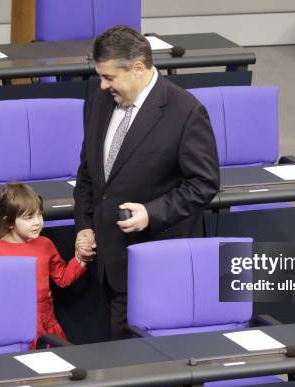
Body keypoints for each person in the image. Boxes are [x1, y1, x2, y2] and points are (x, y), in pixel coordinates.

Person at [74, 25, 220, 340]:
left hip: (154, 261)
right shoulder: (99, 102)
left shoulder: (186, 112)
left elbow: (204, 184)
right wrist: (84, 223)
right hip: (107, 261)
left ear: (138, 68)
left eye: (110, 77)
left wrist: (151, 213)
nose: (102, 85)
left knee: (135, 369)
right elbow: (88, 170)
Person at [0, 183, 89, 348]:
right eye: (28, 218)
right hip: (16, 326)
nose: (37, 222)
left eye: (39, 215)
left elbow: (63, 278)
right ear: (9, 221)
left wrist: (81, 258)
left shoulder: (45, 244)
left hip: (47, 324)